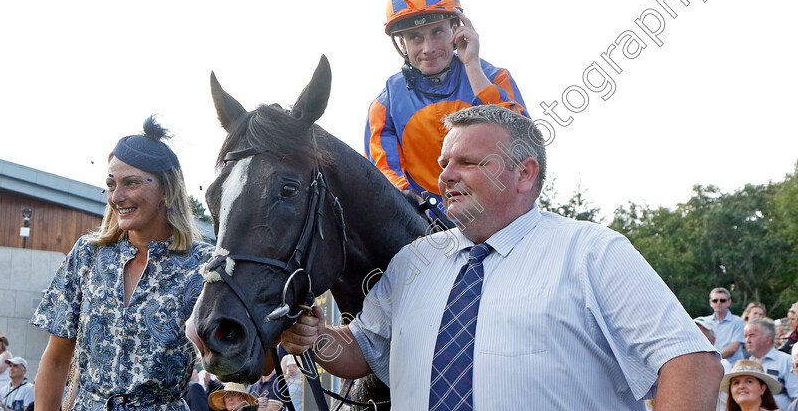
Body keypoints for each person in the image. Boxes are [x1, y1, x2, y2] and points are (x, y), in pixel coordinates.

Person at [284, 105, 723, 409]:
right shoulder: (413, 263)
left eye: (468, 162)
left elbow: (690, 362)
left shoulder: (592, 251)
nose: (446, 175)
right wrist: (316, 337)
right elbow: (361, 351)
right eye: (444, 163)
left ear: (525, 172)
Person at [30, 116, 214, 411]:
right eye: (111, 184)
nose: (116, 197)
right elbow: (56, 358)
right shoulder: (88, 255)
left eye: (131, 183)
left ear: (166, 190)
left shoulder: (204, 265)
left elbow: (249, 358)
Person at [365, 0, 529, 208]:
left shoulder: (495, 78)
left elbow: (522, 144)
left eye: (437, 32)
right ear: (402, 43)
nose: (427, 48)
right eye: (415, 37)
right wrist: (421, 210)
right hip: (424, 223)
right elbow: (385, 174)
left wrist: (472, 66)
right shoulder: (384, 105)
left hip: (497, 211)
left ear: (456, 28)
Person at [744, 318, 798, 409]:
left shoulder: (786, 361)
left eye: (752, 335)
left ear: (768, 338)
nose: (747, 340)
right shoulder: (746, 364)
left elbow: (796, 397)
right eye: (745, 336)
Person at [703, 287, 747, 366]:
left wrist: (713, 359)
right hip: (709, 366)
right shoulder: (704, 322)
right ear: (710, 302)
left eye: (722, 300)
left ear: (729, 302)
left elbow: (733, 348)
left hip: (733, 368)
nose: (718, 303)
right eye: (715, 300)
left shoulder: (738, 322)